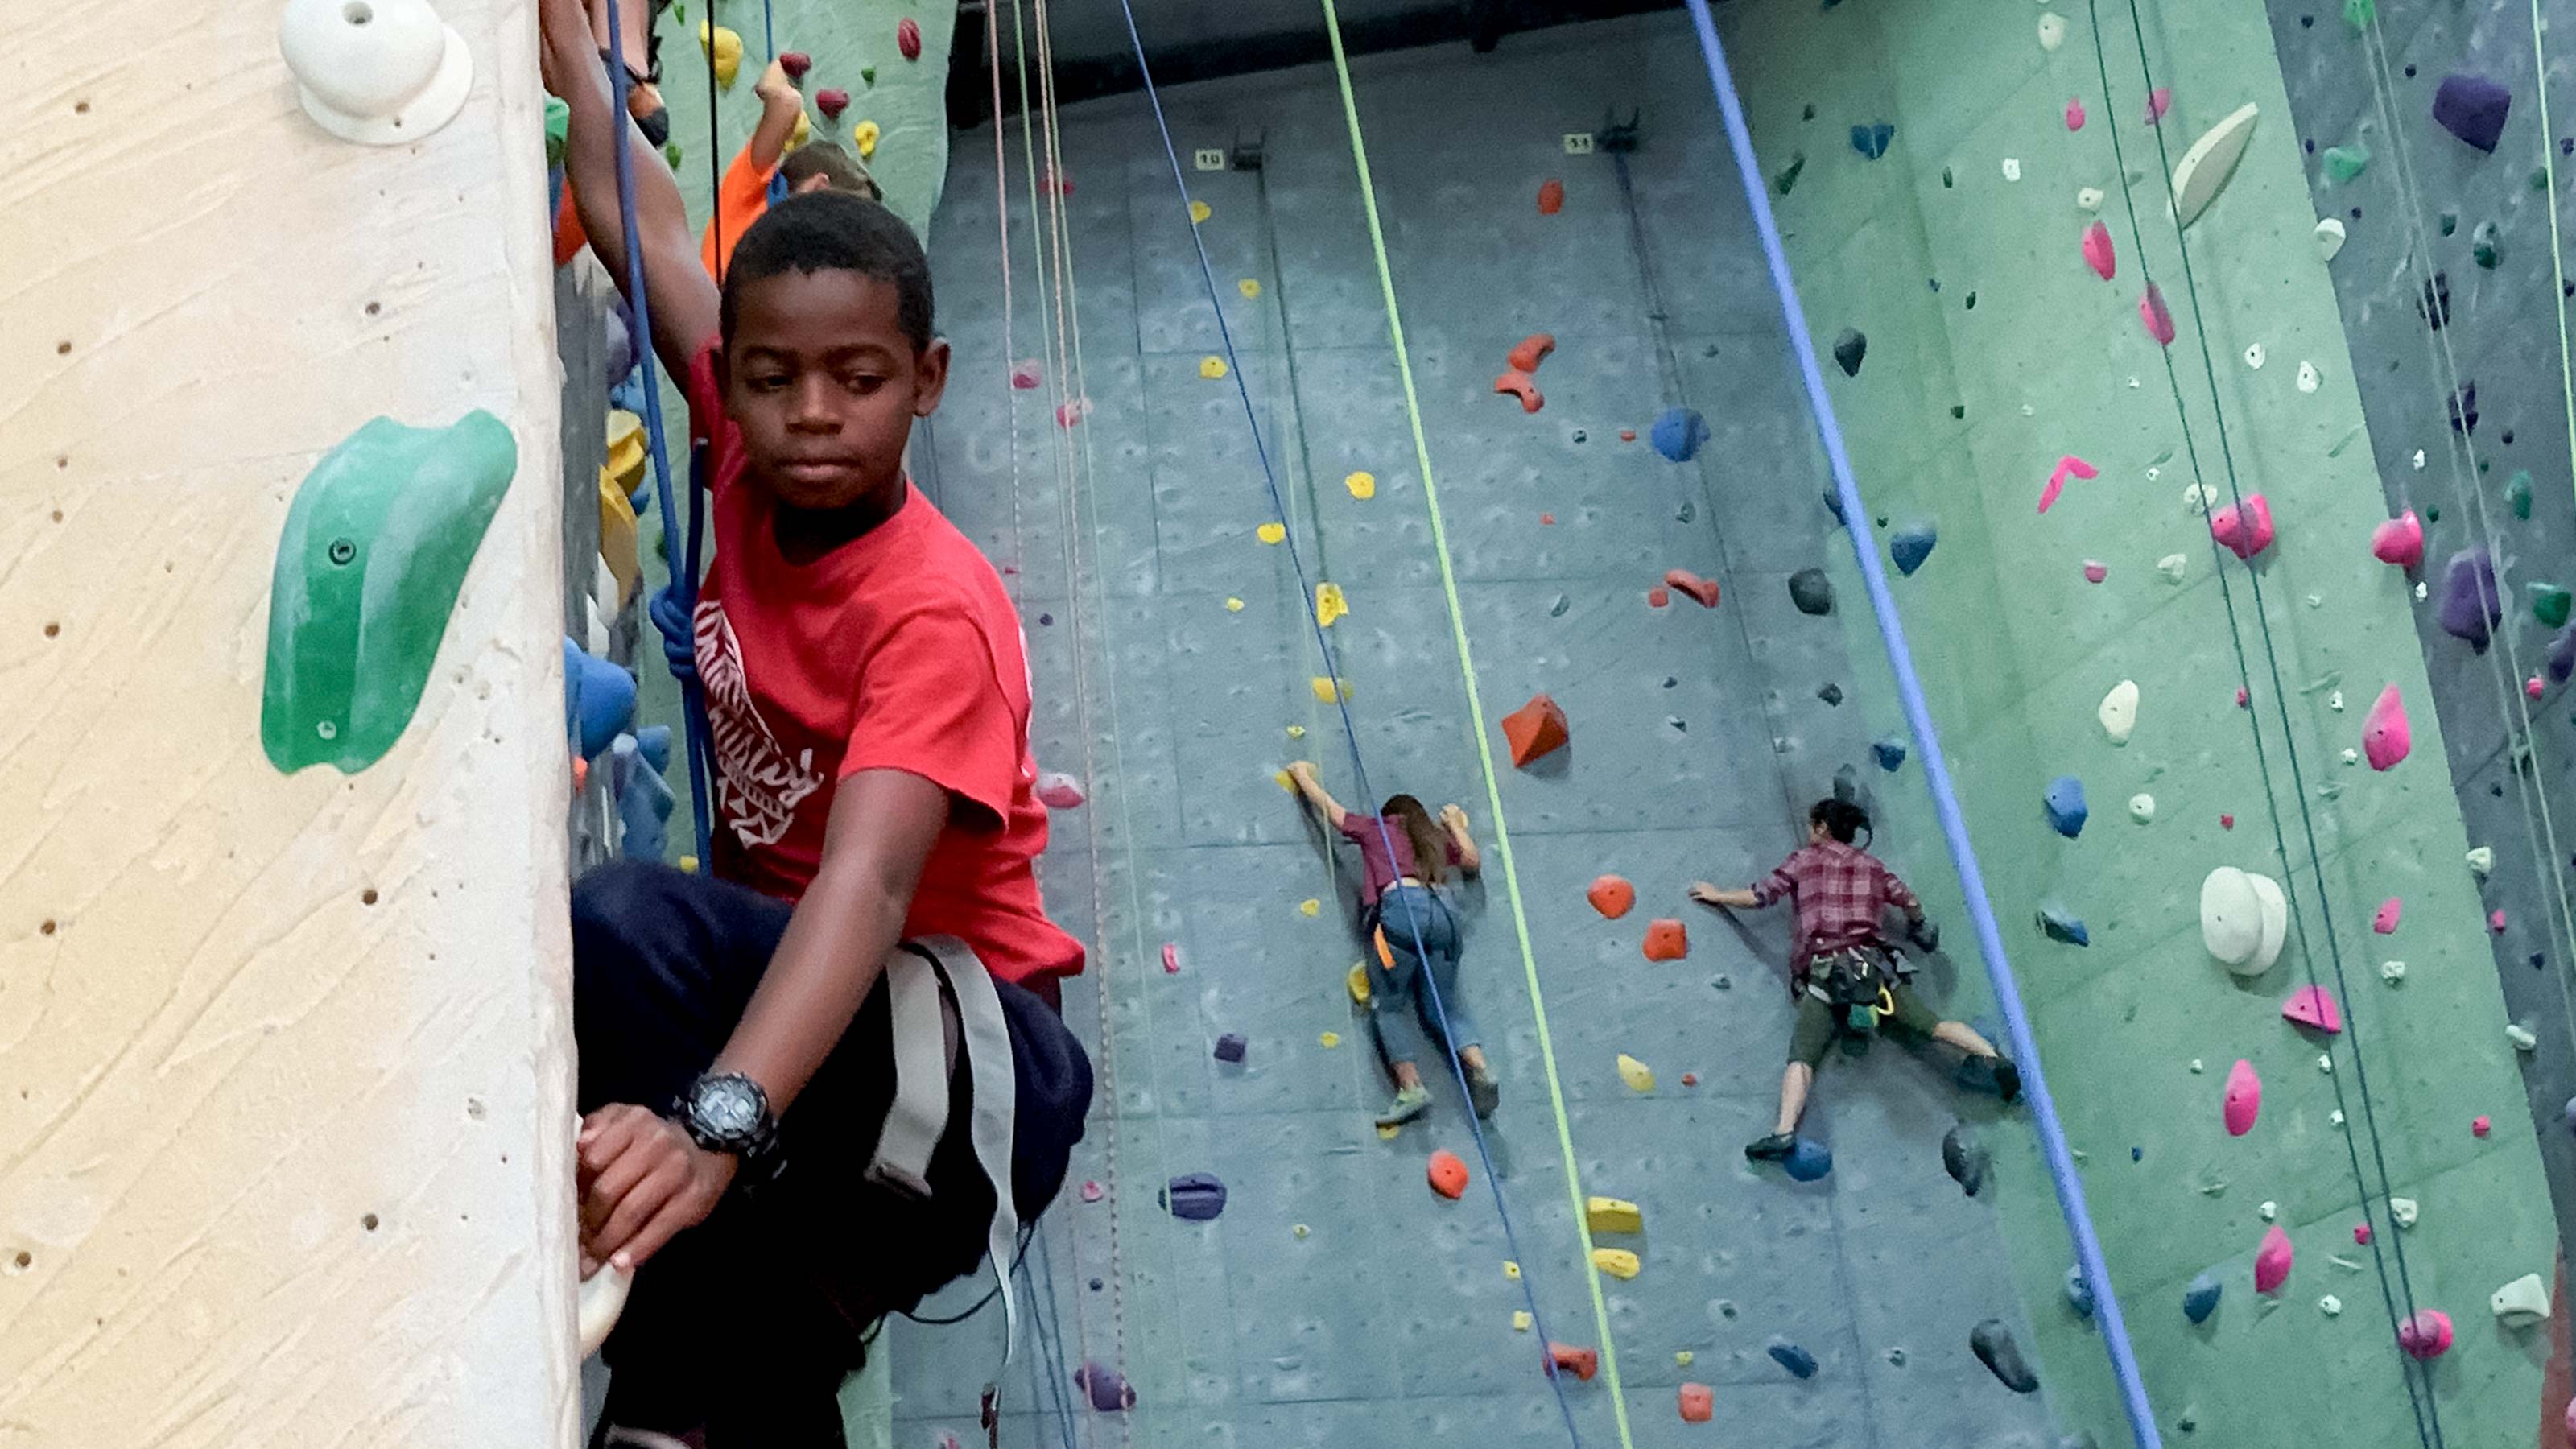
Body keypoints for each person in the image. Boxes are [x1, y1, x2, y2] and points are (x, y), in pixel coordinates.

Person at [543, 3, 1090, 1442]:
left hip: (969, 1062)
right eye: (772, 378)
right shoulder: (737, 438)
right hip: (831, 1062)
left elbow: (868, 882)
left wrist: (719, 1119)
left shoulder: (932, 614)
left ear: (927, 382)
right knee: (704, 1390)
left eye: (859, 381)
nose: (809, 416)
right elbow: (631, 204)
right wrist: (580, 44)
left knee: (624, 930)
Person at [1689, 797, 2018, 1164]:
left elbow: (1761, 895)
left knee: (1803, 1055)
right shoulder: (1872, 867)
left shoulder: (1804, 861)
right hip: (1872, 968)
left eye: (1812, 826)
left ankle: (1783, 1133)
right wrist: (1917, 925)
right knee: (1932, 1025)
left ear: (1822, 828)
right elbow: (1909, 900)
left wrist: (1717, 895)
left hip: (1827, 973)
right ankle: (1994, 1059)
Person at [1286, 762, 1501, 1127]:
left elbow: (1334, 814)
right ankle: (1481, 1067)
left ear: (1391, 815)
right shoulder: (1432, 838)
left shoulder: (1378, 829)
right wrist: (1454, 826)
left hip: (1401, 909)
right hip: (1445, 912)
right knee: (1444, 1008)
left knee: (1388, 1004)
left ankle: (1411, 1085)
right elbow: (1471, 862)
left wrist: (1303, 777)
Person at [701, 57, 880, 282]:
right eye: (847, 220)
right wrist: (783, 65)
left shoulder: (800, 257)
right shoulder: (753, 191)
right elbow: (786, 102)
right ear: (819, 187)